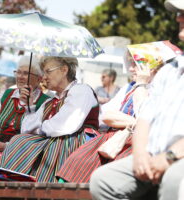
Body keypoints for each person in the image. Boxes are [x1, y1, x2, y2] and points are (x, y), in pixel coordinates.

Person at [90, 1, 184, 199]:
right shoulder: (171, 70)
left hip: (176, 156)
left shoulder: (149, 81)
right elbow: (144, 118)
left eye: (183, 13)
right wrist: (140, 154)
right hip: (149, 151)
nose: (178, 18)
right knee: (101, 180)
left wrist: (169, 157)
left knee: (174, 180)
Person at [56, 40, 181, 183]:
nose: (132, 69)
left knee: (111, 173)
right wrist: (136, 122)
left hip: (137, 143)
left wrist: (141, 85)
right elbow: (105, 116)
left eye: (136, 64)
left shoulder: (161, 91)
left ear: (151, 66)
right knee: (78, 159)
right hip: (113, 136)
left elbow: (147, 120)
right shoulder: (129, 88)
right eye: (131, 64)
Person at [0, 56, 100, 182]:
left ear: (64, 70)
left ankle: (42, 187)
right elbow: (26, 128)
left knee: (52, 144)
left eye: (48, 71)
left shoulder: (81, 90)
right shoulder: (50, 101)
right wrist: (29, 105)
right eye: (43, 73)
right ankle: (10, 184)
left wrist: (40, 127)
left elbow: (66, 125)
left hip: (75, 142)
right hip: (55, 139)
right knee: (18, 140)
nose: (44, 77)